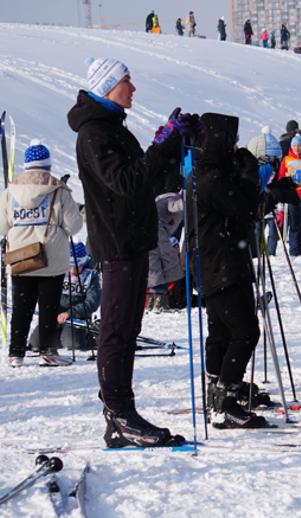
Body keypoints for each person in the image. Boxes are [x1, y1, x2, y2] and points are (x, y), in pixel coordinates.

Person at [67, 56, 194, 447]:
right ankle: (120, 413)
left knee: (128, 327)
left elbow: (144, 177)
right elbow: (126, 181)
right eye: (127, 81)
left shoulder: (112, 128)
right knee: (117, 329)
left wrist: (170, 145)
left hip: (133, 238)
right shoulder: (95, 133)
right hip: (118, 242)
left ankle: (123, 412)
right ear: (108, 86)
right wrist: (159, 147)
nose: (133, 88)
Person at [188, 113, 296, 429]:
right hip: (221, 263)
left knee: (222, 331)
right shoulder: (212, 178)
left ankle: (219, 388)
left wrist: (264, 190)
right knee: (245, 330)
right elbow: (245, 206)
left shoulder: (206, 173)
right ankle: (225, 400)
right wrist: (256, 178)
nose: (236, 147)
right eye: (232, 141)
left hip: (216, 261)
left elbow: (242, 204)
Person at [0, 140, 83, 367]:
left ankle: (15, 353)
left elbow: (1, 227)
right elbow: (74, 226)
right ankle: (48, 351)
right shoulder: (59, 191)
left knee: (21, 307)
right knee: (49, 307)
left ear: (26, 166)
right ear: (47, 165)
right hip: (52, 257)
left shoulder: (10, 192)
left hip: (20, 257)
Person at [29, 242, 101, 352]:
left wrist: (70, 313)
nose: (73, 270)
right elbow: (45, 293)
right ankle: (57, 337)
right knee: (36, 344)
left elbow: (92, 302)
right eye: (70, 265)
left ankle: (90, 338)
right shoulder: (58, 271)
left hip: (77, 316)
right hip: (55, 315)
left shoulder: (91, 275)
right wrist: (51, 310)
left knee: (71, 343)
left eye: (77, 266)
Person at [247, 127, 284, 255]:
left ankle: (267, 252)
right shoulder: (254, 176)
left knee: (270, 233)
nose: (272, 172)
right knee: (257, 233)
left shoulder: (271, 179)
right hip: (255, 212)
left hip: (264, 206)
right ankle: (257, 252)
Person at [146, 190, 184, 311]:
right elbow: (177, 207)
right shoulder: (173, 198)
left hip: (152, 233)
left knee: (154, 265)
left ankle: (153, 298)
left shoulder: (158, 199)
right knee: (167, 263)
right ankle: (159, 299)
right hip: (159, 234)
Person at [278, 133, 301, 256]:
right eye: (294, 145)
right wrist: (286, 179)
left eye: (299, 145)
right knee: (294, 225)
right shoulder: (287, 159)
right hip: (292, 196)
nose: (297, 148)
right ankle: (294, 251)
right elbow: (280, 177)